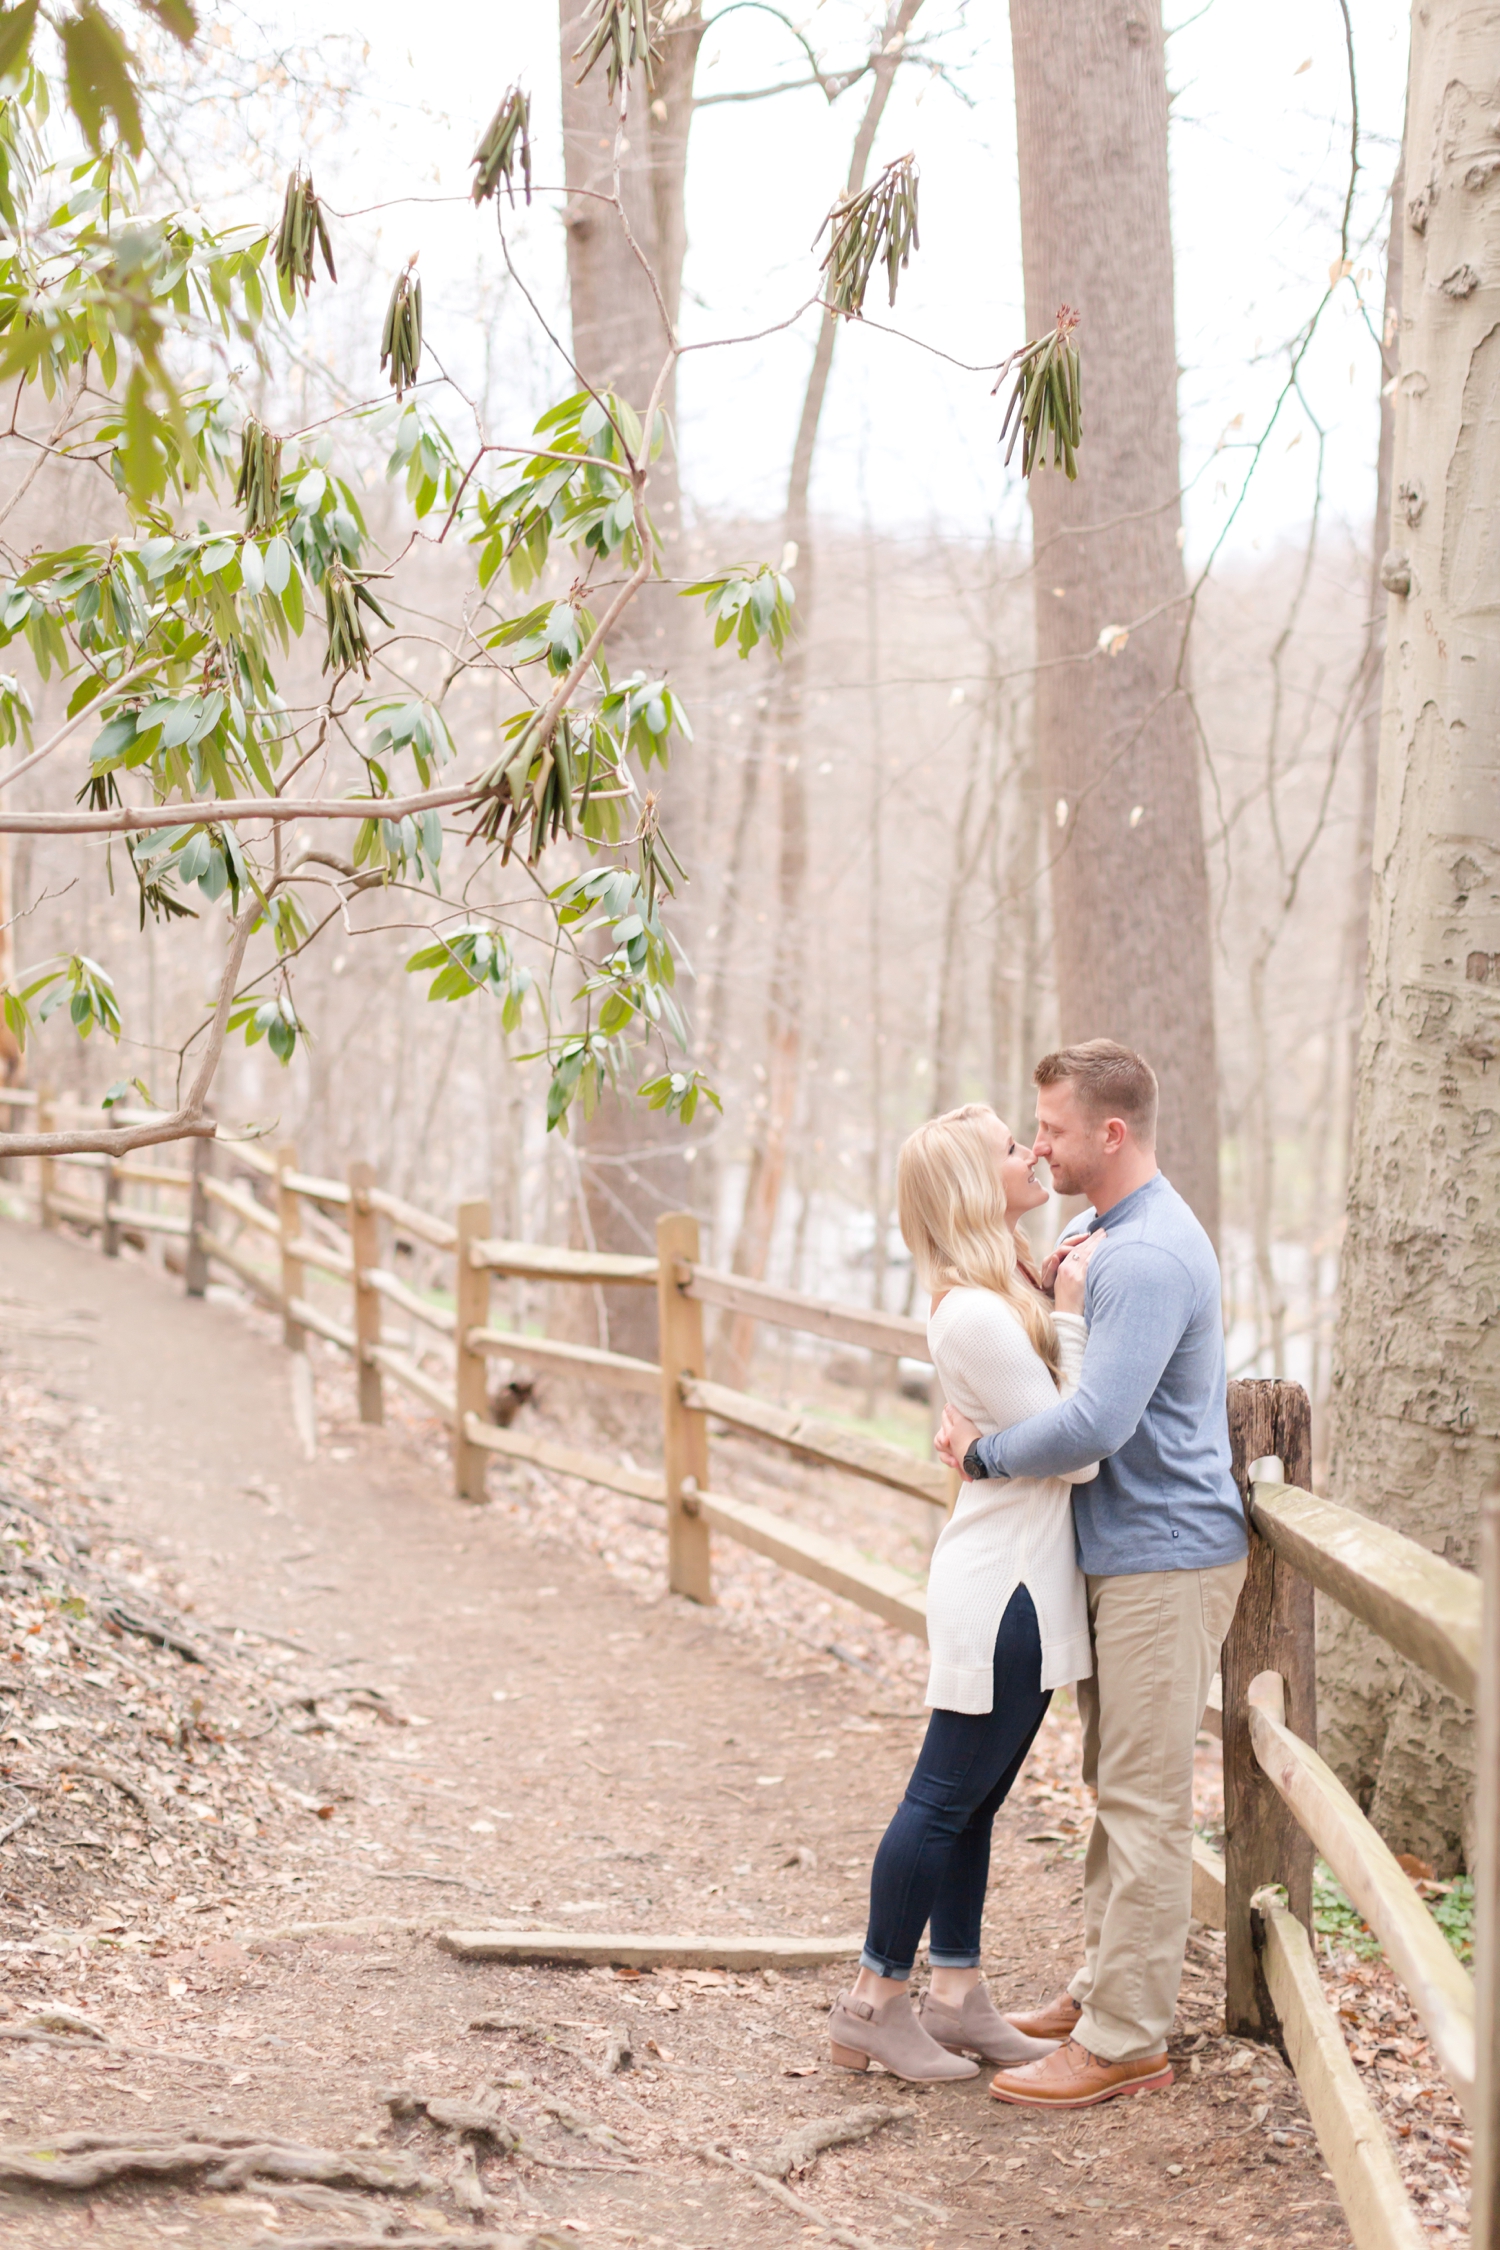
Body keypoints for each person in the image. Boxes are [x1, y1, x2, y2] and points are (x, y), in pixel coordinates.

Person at [935, 1039, 1247, 2111]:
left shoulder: (1147, 1254)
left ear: (1111, 1134)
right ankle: (1098, 1989)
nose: (1042, 1147)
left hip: (1165, 1555)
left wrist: (980, 1453)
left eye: (1055, 1130)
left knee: (1147, 1801)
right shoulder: (1096, 1235)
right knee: (1115, 1791)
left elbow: (1096, 1424)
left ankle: (1126, 2038)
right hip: (1117, 1556)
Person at [827, 1103, 1102, 2083]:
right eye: (1008, 1150)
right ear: (968, 1188)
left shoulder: (999, 1292)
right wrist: (1069, 1315)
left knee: (976, 1804)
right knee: (942, 1797)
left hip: (1023, 1577)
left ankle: (957, 1994)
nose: (1030, 1154)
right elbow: (1073, 1450)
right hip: (1002, 1592)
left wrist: (1051, 1291)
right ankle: (874, 2001)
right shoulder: (978, 1312)